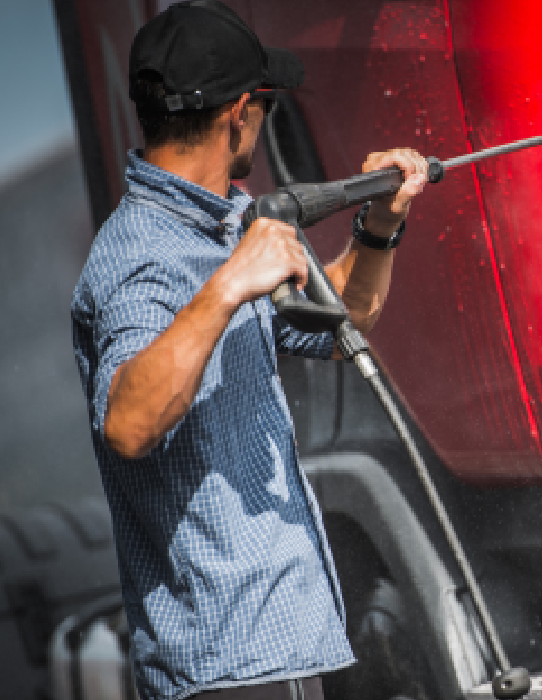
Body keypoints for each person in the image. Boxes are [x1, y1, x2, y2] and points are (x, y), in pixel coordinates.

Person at [70, 2, 427, 698]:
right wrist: (229, 284)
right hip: (227, 673)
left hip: (282, 652)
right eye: (265, 105)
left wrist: (382, 220)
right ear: (240, 112)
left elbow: (343, 318)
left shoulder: (225, 224)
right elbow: (129, 422)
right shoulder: (140, 257)